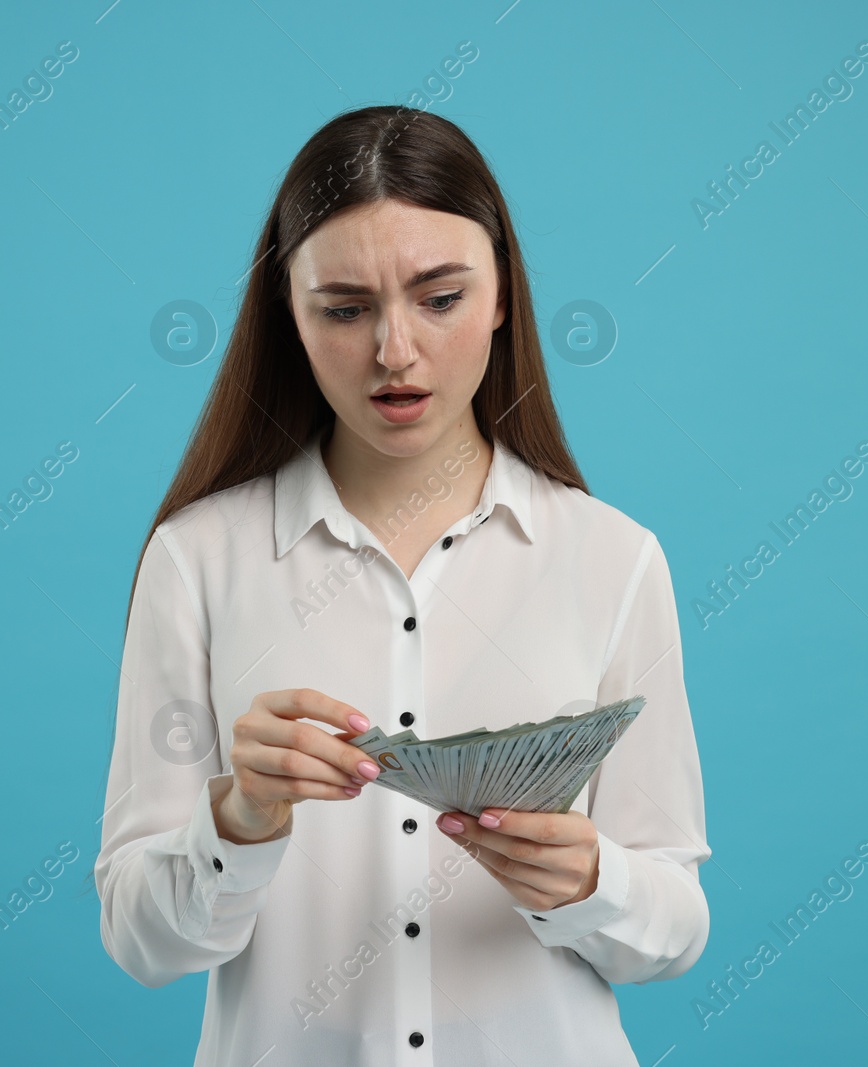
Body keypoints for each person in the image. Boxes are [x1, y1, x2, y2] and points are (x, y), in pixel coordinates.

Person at [94, 104, 711, 1066]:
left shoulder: (614, 559)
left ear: (502, 294)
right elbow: (141, 941)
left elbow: (673, 930)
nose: (394, 351)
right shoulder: (197, 558)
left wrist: (592, 881)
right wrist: (237, 821)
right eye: (344, 309)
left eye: (440, 297)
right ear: (288, 318)